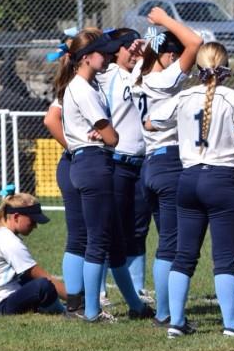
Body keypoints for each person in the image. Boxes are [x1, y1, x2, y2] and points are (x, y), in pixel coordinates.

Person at [149, 42, 234, 338]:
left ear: (198, 69)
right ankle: (231, 325)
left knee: (184, 254)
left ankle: (176, 322)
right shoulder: (233, 99)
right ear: (225, 69)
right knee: (225, 256)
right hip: (221, 179)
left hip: (187, 179)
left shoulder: (185, 96)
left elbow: (150, 122)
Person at [56, 28, 153, 322]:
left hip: (90, 163)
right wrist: (106, 136)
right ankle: (91, 311)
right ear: (86, 58)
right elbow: (112, 137)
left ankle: (135, 306)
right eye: (103, 52)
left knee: (111, 242)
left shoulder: (89, 83)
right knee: (97, 240)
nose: (108, 56)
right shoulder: (83, 89)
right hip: (93, 163)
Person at [133, 8, 202, 326]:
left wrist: (152, 34)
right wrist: (164, 20)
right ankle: (167, 313)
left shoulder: (138, 75)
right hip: (171, 163)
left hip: (151, 164)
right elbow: (196, 42)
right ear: (168, 54)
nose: (179, 63)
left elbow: (152, 50)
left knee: (165, 242)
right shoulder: (163, 79)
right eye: (173, 55)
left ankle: (164, 310)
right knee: (172, 244)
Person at [96, 28, 153, 303]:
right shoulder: (106, 76)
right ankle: (100, 290)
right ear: (116, 49)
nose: (133, 51)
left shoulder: (144, 74)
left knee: (139, 227)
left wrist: (149, 47)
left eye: (136, 46)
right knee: (110, 226)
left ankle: (138, 288)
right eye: (128, 47)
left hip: (141, 163)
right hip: (116, 162)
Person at [44, 29, 89, 316]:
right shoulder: (76, 85)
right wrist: (75, 147)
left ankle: (79, 298)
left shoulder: (74, 82)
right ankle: (80, 299)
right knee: (83, 236)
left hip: (76, 162)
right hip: (77, 162)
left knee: (81, 235)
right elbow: (51, 120)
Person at [0, 190, 67, 315]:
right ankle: (65, 311)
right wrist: (78, 301)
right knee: (43, 285)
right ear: (16, 217)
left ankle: (54, 307)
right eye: (32, 221)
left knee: (28, 279)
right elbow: (43, 277)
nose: (35, 226)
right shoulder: (9, 242)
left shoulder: (2, 235)